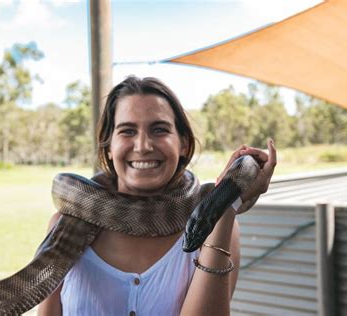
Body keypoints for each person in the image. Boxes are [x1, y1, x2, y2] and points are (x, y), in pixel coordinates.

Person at [38, 76, 276, 316]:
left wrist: (225, 202)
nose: (143, 146)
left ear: (183, 144)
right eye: (127, 131)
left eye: (159, 129)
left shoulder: (220, 227)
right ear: (108, 147)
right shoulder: (65, 226)